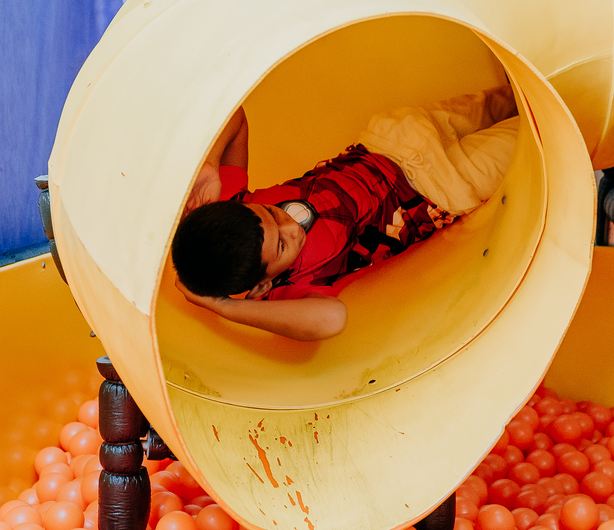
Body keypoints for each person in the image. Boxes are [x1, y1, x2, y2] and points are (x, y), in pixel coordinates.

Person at [171, 87, 521, 341]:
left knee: (505, 100)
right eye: (282, 246)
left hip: (395, 141)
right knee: (527, 135)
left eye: (272, 213)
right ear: (262, 283)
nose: (290, 226)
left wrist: (210, 163)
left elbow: (235, 116)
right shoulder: (287, 290)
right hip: (440, 189)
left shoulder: (234, 206)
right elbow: (331, 319)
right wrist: (224, 308)